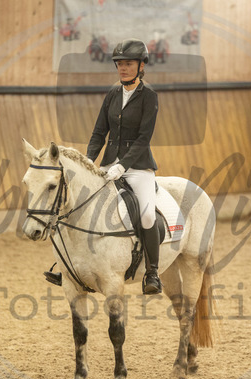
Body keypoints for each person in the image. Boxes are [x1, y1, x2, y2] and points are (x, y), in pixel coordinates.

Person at [86, 38, 163, 295]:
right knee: (82, 204)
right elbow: (99, 133)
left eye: (128, 64)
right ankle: (75, 263)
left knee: (147, 215)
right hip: (109, 164)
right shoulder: (112, 94)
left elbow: (143, 139)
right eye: (119, 64)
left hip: (138, 167)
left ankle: (152, 272)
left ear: (141, 66)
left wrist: (123, 165)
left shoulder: (148, 96)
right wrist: (88, 160)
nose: (123, 68)